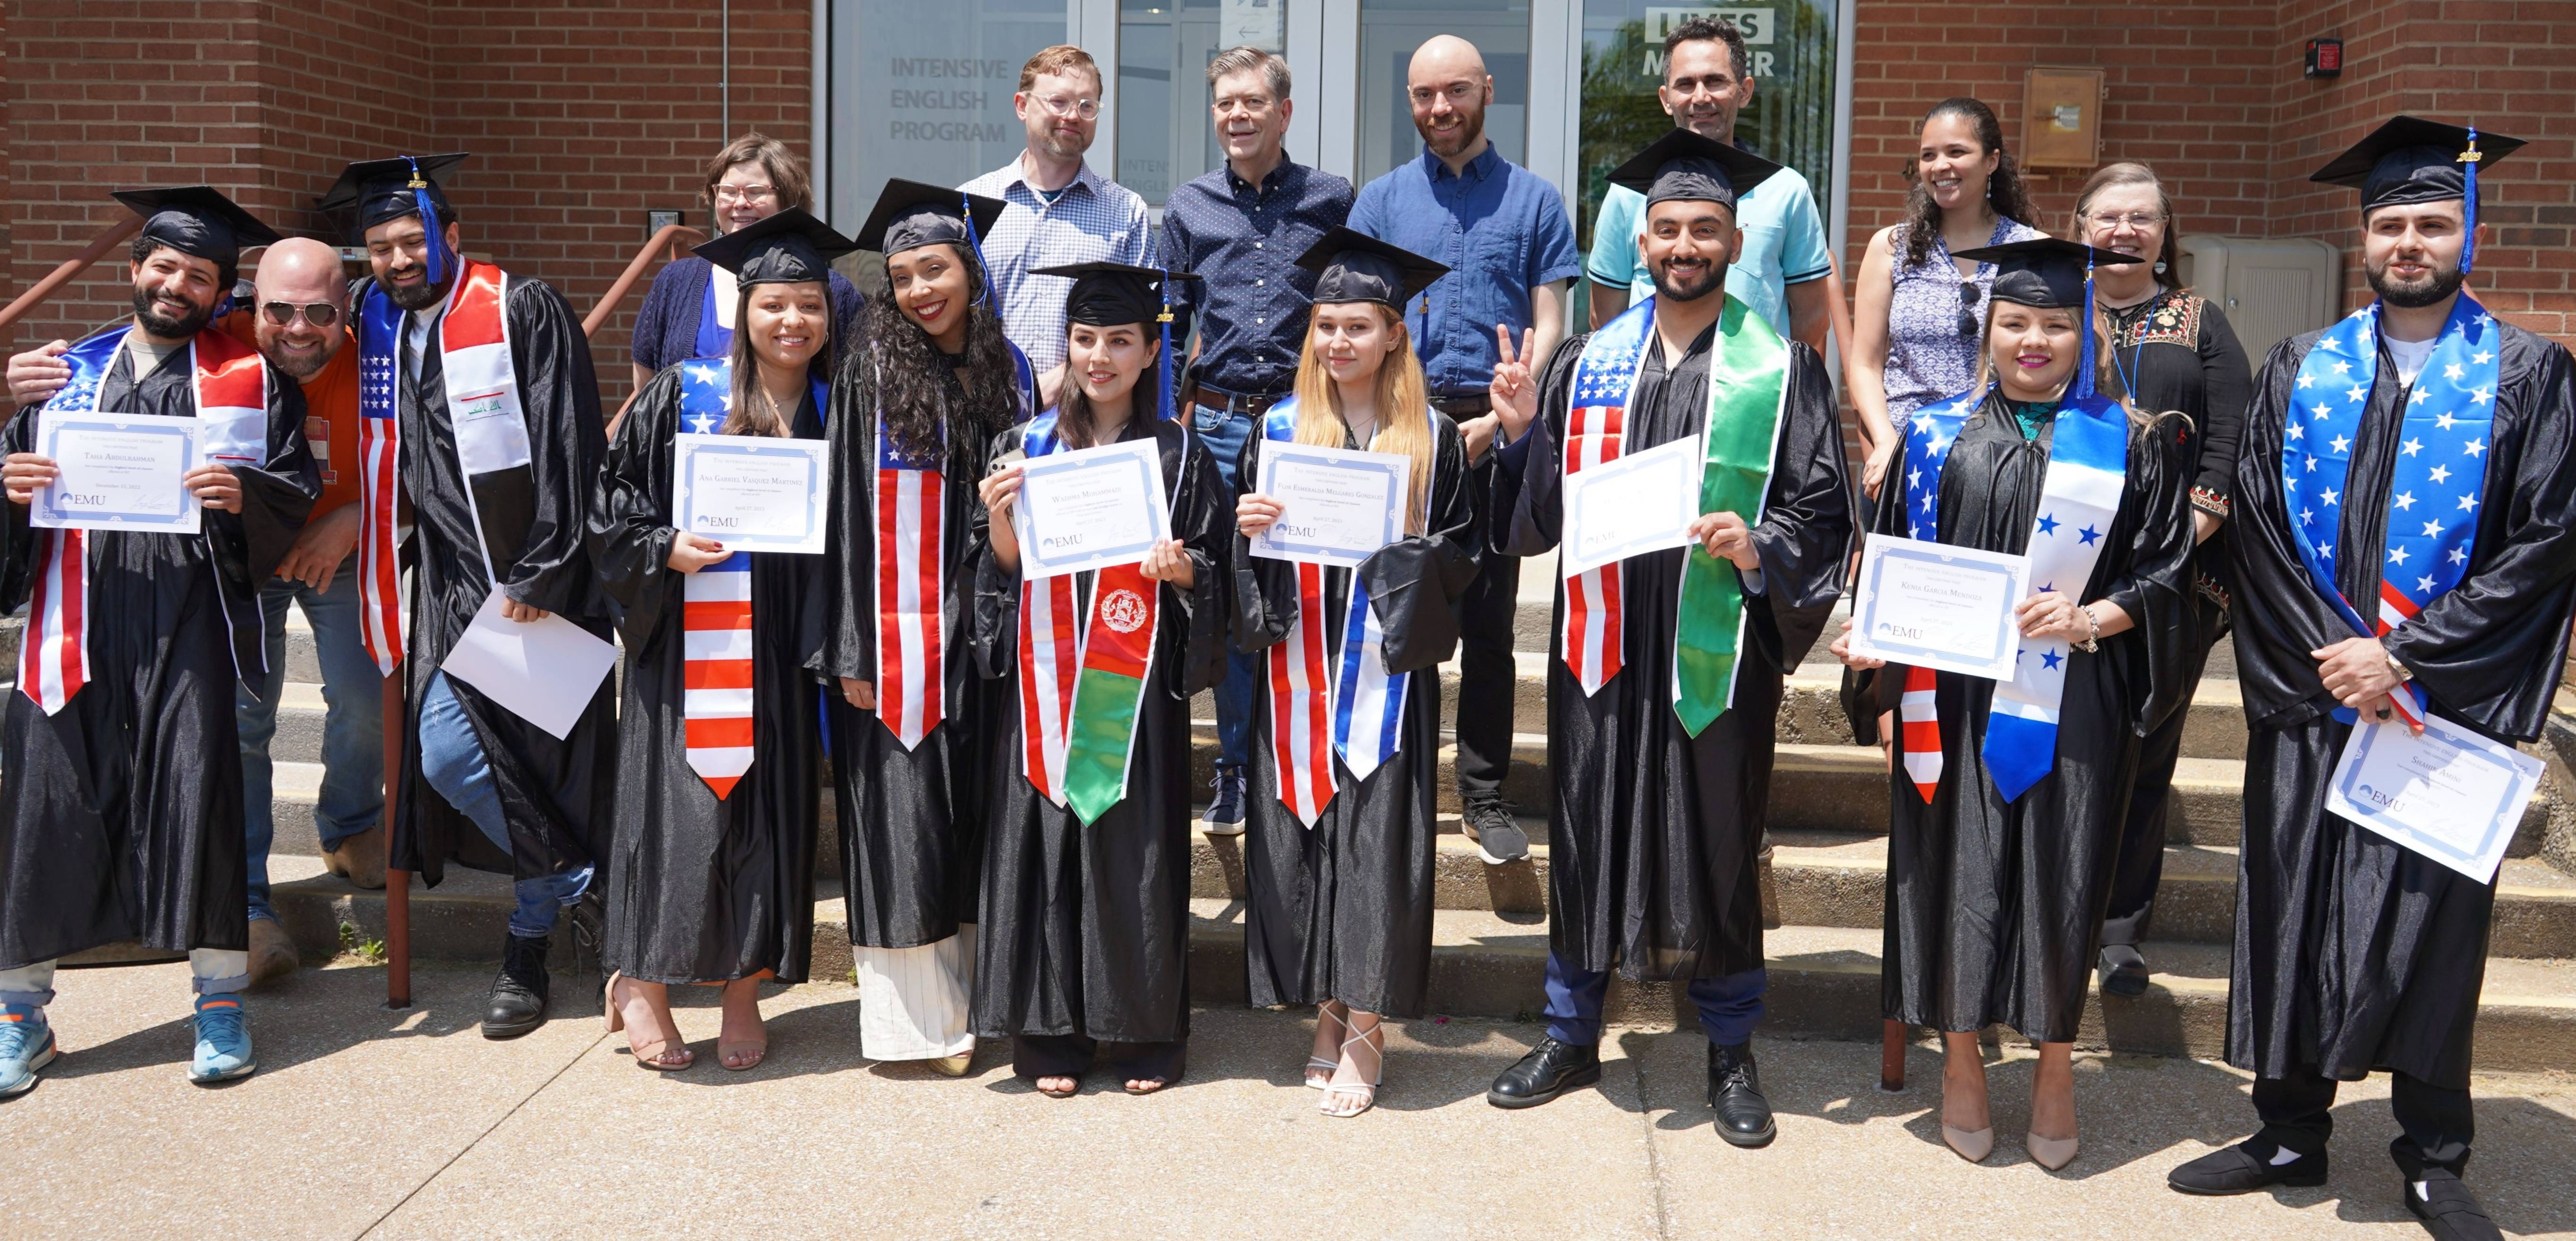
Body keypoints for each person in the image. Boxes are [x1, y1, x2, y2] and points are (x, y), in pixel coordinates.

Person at [2172, 119, 2572, 1241]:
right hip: (2314, 696)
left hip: (2438, 704)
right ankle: (2288, 1128)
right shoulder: (2304, 365)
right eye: (2389, 223)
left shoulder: (2533, 376)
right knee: (2292, 904)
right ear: (2362, 236)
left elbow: (2545, 544)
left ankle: (2433, 1156)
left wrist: (2402, 655)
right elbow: (2254, 529)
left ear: (2467, 232)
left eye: (2430, 222)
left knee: (2431, 928)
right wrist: (2331, 659)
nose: (2407, 241)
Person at [1480, 133, 1852, 1146]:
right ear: (1639, 241)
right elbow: (1539, 519)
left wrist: (1758, 541)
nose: (1684, 245)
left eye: (1705, 229)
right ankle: (1568, 1030)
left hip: (1714, 645)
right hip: (1601, 644)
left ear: (1736, 241)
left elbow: (1821, 507)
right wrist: (1521, 434)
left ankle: (1729, 1048)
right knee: (1586, 822)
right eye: (1668, 230)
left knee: (1719, 838)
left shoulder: (1779, 369)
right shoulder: (1587, 361)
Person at [1836, 238, 2193, 1170]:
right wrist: (1874, 653)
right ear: (1987, 329)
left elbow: (2169, 575)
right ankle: (1959, 1057)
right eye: (2015, 322)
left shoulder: (2134, 441)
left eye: (2055, 324)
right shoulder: (1929, 438)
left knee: (2062, 873)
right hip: (1947, 700)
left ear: (2084, 333)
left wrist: (2091, 616)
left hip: (2077, 694)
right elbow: (1889, 561)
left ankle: (2053, 1065)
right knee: (1951, 869)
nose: (2033, 340)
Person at [5, 236, 390, 989]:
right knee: (242, 722)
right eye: (280, 310)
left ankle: (347, 825)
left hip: (341, 542)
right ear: (248, 304)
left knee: (360, 697)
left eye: (319, 311)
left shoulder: (383, 355)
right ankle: (248, 909)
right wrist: (24, 386)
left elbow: (430, 458)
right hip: (231, 559)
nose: (299, 327)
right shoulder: (200, 346)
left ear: (349, 310)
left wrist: (362, 519)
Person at [0, 187, 318, 1095]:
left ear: (221, 293)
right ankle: (21, 1017)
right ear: (136, 270)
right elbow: (16, 487)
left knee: (201, 798)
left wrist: (242, 500)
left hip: (188, 626)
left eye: (201, 275)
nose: (178, 284)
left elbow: (286, 494)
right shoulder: (64, 375)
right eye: (166, 266)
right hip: (78, 625)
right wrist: (8, 486)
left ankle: (219, 1004)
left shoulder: (252, 382)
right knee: (46, 810)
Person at [321, 153, 616, 1040]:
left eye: (413, 241)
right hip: (450, 586)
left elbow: (572, 442)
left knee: (541, 766)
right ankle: (583, 885)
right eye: (380, 248)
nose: (398, 260)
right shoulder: (377, 324)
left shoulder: (519, 307)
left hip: (534, 582)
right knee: (447, 756)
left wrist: (544, 569)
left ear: (452, 237)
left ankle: (527, 944)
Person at [590, 211, 855, 1071]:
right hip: (687, 631)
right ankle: (644, 983)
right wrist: (658, 547)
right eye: (774, 303)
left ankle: (744, 986)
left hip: (780, 644)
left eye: (809, 305)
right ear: (743, 310)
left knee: (766, 815)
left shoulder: (834, 406)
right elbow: (610, 503)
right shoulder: (681, 390)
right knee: (672, 816)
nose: (792, 322)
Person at [1231, 229, 1477, 1118]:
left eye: (1357, 327)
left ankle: (1365, 1027)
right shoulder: (1277, 428)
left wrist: (1416, 555)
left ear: (1393, 335)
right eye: (1325, 326)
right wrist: (1246, 525)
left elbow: (1464, 557)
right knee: (1309, 843)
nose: (1338, 343)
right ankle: (1326, 1009)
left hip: (1384, 681)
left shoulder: (1433, 439)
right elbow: (1246, 567)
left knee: (1375, 850)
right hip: (1299, 677)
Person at [970, 261, 1226, 1098]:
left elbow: (1217, 568)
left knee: (1131, 851)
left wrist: (1183, 571)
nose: (1099, 357)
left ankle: (1145, 1031)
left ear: (1151, 350)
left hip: (1132, 687)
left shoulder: (1180, 453)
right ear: (1066, 347)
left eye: (1119, 340)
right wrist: (1000, 516)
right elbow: (1003, 573)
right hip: (1046, 687)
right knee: (1048, 849)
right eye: (1085, 339)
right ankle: (1053, 1033)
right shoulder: (1026, 443)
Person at [811, 180, 1031, 1075]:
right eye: (901, 276)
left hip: (983, 625)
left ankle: (978, 999)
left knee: (971, 813)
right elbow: (846, 514)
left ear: (971, 272)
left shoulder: (1004, 365)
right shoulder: (871, 365)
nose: (917, 290)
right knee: (906, 816)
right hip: (897, 628)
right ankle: (918, 1025)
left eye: (933, 269)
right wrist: (855, 644)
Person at [1348, 33, 1581, 866]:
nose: (1438, 108)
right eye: (1422, 95)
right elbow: (1360, 321)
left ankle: (1483, 795)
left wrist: (1514, 400)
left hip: (1491, 424)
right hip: (1403, 432)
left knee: (1486, 624)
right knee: (1397, 614)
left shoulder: (1533, 199)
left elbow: (1549, 313)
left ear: (1485, 89)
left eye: (1453, 91)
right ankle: (1389, 782)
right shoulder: (1377, 202)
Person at [1160, 45, 1355, 834]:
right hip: (1212, 423)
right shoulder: (1188, 205)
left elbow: (1357, 306)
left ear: (1282, 111)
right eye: (1222, 104)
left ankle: (1307, 750)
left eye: (1249, 102)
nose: (1234, 116)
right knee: (1229, 595)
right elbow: (1169, 325)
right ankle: (1235, 765)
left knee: (1306, 594)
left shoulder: (1332, 199)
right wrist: (1164, 419)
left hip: (1303, 422)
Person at [2072, 163, 2254, 996]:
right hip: (2059, 577)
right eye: (2107, 215)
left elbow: (2227, 444)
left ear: (2162, 232)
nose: (2123, 229)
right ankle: (2052, 905)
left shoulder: (2198, 322)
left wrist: (2172, 548)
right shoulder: (2049, 316)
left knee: (2143, 752)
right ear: (2077, 224)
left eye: (2140, 217)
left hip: (2172, 583)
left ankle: (2118, 931)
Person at [1584, 16, 1833, 354]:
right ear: (1665, 97)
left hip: (1750, 395)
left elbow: (1813, 316)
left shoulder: (1787, 190)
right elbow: (1605, 318)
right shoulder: (1628, 192)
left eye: (1715, 81)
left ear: (1744, 91)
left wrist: (1770, 373)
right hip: (1654, 391)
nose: (1701, 97)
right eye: (1685, 84)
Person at [1848, 98, 2045, 503]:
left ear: (1992, 161)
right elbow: (1865, 363)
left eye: (1957, 152)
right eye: (1928, 155)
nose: (1940, 166)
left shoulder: (2032, 249)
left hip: (1998, 461)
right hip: (1905, 462)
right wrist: (1885, 443)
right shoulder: (1891, 247)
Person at [962, 45, 1152, 409]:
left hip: (1088, 420)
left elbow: (1139, 325)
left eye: (1086, 105)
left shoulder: (1126, 213)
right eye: (1059, 102)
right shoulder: (971, 205)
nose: (1073, 116)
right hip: (982, 413)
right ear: (1022, 105)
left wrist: (1062, 381)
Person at [626, 133, 862, 401]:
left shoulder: (834, 291)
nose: (740, 203)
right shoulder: (676, 281)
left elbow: (855, 388)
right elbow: (647, 383)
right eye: (727, 192)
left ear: (788, 199)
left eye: (756, 192)